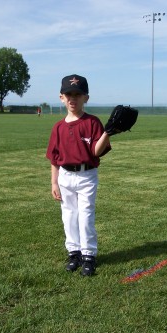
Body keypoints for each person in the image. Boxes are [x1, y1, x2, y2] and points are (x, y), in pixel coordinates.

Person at [46, 74, 111, 276]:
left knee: (85, 216)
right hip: (65, 176)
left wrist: (108, 132)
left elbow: (96, 152)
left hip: (86, 175)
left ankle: (89, 255)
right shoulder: (58, 127)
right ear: (61, 97)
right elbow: (54, 159)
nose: (73, 98)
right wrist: (54, 183)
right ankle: (74, 253)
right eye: (69, 94)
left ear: (86, 98)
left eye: (78, 94)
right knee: (69, 216)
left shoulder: (92, 122)